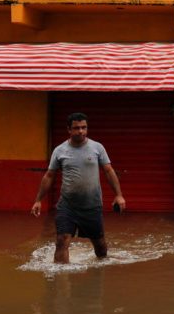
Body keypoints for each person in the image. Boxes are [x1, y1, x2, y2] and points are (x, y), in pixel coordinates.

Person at [31, 112, 126, 264]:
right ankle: (61, 280)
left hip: (92, 206)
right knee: (62, 240)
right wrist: (38, 200)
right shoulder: (60, 150)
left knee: (100, 246)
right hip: (67, 206)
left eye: (84, 127)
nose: (81, 131)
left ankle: (100, 271)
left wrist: (119, 195)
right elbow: (49, 176)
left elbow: (109, 171)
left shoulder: (97, 148)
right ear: (69, 129)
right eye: (76, 128)